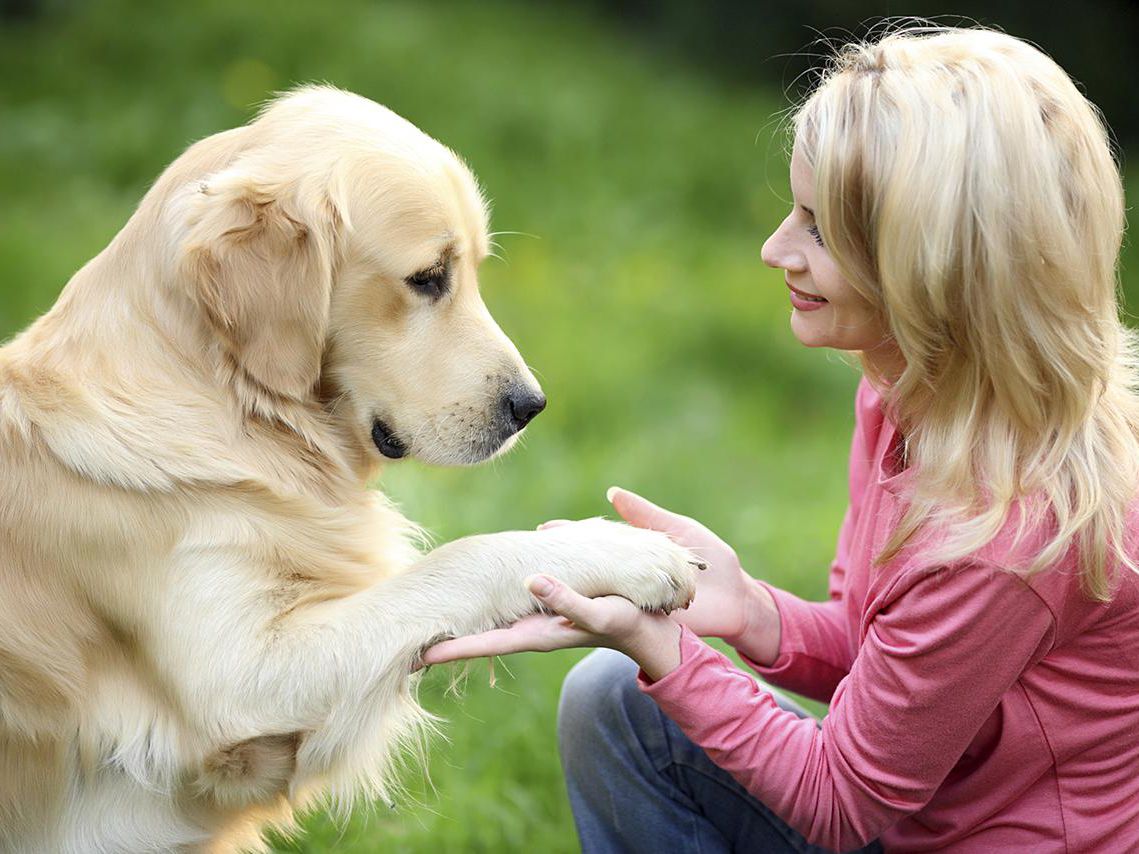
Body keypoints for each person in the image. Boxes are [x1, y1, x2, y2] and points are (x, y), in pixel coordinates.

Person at [424, 24, 1139, 852]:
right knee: (616, 700)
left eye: (819, 230)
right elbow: (895, 673)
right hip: (921, 824)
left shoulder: (1003, 536)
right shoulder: (910, 397)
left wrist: (660, 645)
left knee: (631, 679)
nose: (774, 250)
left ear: (936, 268)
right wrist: (753, 612)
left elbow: (841, 805)